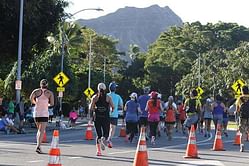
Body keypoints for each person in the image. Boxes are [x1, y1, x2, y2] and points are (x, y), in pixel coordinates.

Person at [30, 79, 54, 154]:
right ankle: (38, 146)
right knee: (41, 131)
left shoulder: (36, 91)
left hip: (36, 113)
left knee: (39, 130)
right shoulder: (49, 93)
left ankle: (38, 145)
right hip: (44, 113)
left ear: (40, 84)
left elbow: (31, 99)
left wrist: (36, 103)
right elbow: (52, 103)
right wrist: (47, 104)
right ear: (47, 85)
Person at [89, 83, 114, 156]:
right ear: (105, 89)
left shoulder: (95, 97)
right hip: (105, 117)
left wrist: (93, 111)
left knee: (98, 134)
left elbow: (91, 108)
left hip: (97, 117)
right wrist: (111, 110)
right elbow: (113, 106)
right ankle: (103, 139)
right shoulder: (108, 97)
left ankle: (98, 151)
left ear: (97, 89)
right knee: (106, 133)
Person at [107, 82, 123, 148]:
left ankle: (104, 137)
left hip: (106, 114)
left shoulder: (106, 95)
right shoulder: (118, 96)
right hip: (114, 115)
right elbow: (121, 105)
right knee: (112, 128)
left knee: (106, 127)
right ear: (115, 89)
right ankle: (109, 139)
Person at [236, 85, 249, 152]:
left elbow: (237, 109)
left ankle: (242, 146)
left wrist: (237, 116)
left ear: (242, 91)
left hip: (242, 117)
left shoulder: (240, 98)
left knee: (242, 132)